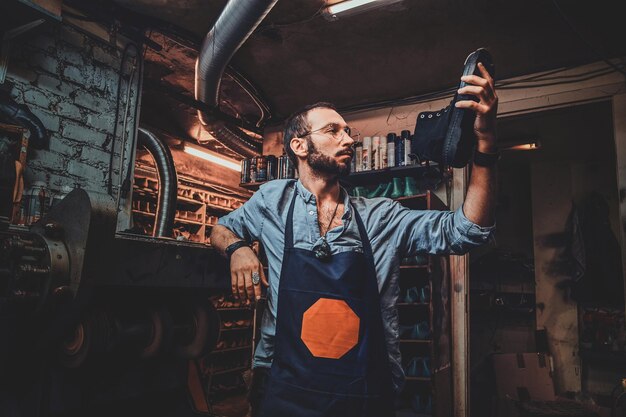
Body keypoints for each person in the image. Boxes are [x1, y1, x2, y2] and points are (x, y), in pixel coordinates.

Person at [210, 62, 498, 417]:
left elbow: (466, 232)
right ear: (300, 146)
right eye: (333, 130)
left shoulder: (381, 216)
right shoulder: (272, 200)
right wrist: (238, 249)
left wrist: (485, 145)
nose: (348, 139)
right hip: (284, 384)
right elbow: (221, 228)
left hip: (364, 388)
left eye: (348, 132)